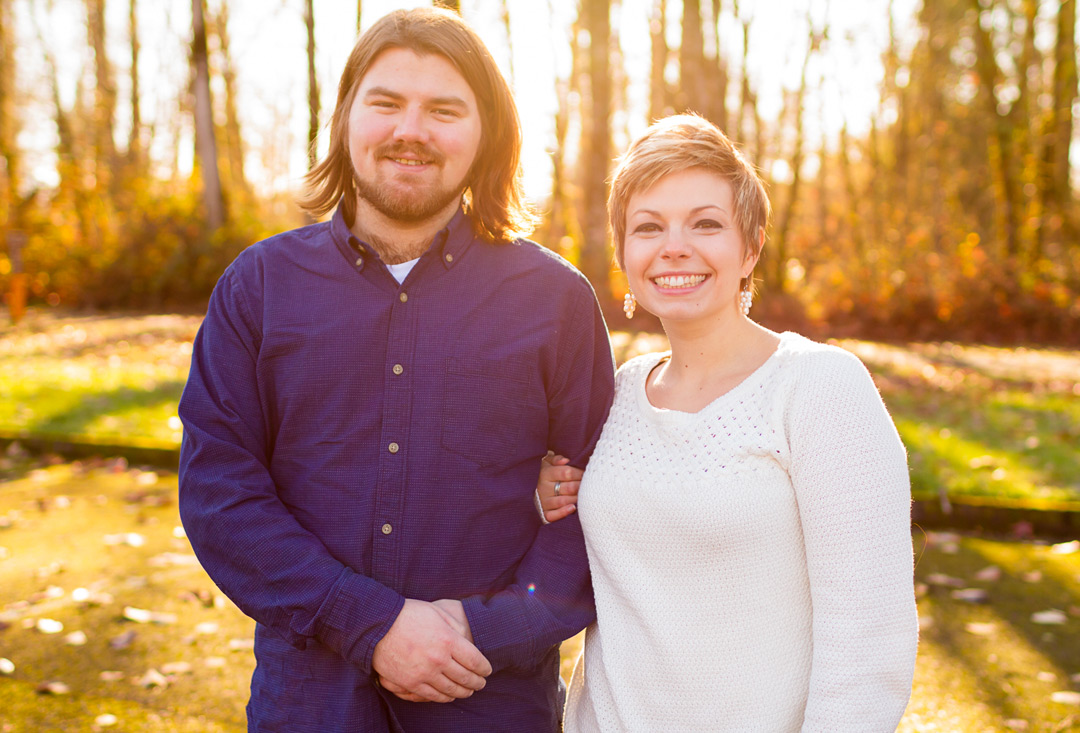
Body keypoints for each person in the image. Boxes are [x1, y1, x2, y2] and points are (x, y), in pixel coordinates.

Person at [177, 8, 615, 732]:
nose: (411, 129)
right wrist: (368, 621)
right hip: (309, 702)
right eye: (386, 102)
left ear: (487, 136)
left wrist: (486, 629)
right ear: (347, 116)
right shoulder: (258, 288)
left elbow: (601, 504)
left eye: (444, 109)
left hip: (491, 701)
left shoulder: (555, 301)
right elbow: (221, 494)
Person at [537, 114, 918, 732]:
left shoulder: (819, 387)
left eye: (706, 224)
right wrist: (546, 491)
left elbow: (869, 639)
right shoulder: (617, 392)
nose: (674, 246)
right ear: (623, 254)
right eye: (648, 227)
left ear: (752, 247)